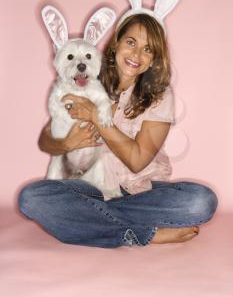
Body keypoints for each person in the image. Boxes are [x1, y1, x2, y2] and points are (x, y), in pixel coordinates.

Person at [18, 13, 218, 248]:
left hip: (143, 190)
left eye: (147, 49)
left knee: (201, 202)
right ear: (116, 44)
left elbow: (137, 160)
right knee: (32, 198)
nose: (136, 55)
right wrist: (65, 144)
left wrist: (95, 115)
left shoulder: (160, 95)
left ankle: (86, 221)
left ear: (154, 59)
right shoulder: (87, 76)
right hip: (92, 188)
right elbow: (45, 139)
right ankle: (142, 234)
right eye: (131, 42)